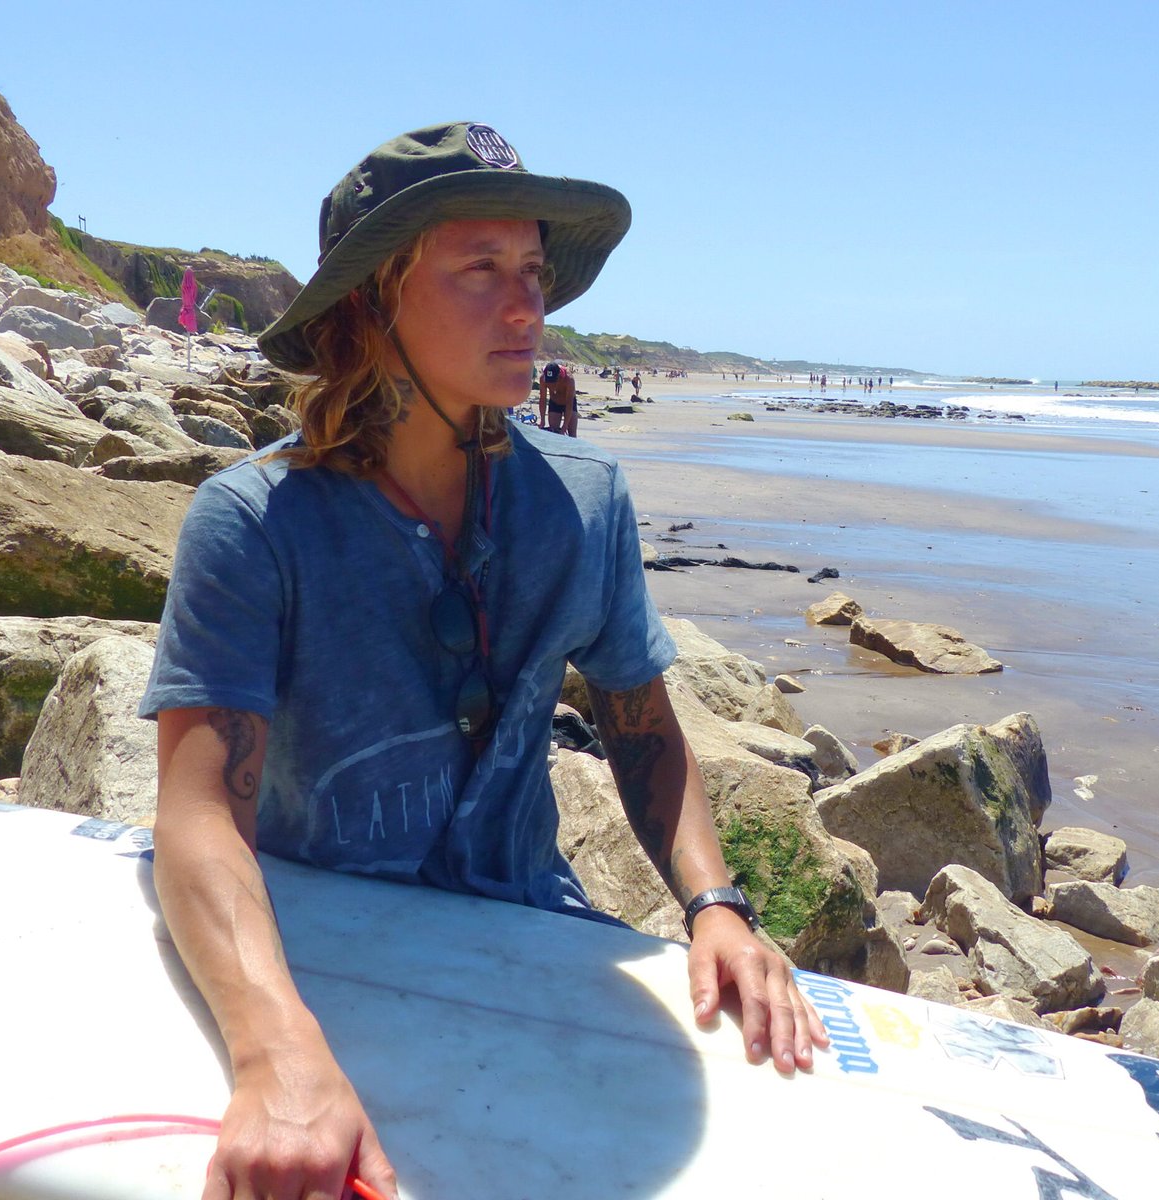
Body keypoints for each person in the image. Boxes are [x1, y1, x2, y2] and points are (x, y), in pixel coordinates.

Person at [142, 121, 826, 1200]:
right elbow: (195, 813)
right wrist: (274, 1051)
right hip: (320, 935)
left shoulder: (585, 502)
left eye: (534, 271)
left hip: (524, 930)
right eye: (480, 272)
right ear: (373, 299)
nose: (527, 309)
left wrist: (717, 907)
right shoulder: (255, 522)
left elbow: (641, 731)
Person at [538, 359, 577, 436]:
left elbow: (569, 403)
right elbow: (543, 399)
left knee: (572, 433)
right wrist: (542, 419)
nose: (552, 385)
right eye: (549, 381)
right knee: (554, 432)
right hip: (554, 402)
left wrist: (565, 425)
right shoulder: (543, 378)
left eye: (554, 381)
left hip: (568, 403)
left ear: (559, 375)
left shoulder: (569, 379)